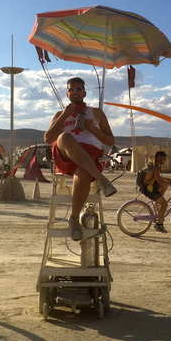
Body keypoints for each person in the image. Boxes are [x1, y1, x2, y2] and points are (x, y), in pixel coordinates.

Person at [44, 77, 117, 241]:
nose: (75, 92)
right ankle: (101, 179)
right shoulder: (60, 114)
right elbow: (48, 138)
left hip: (90, 155)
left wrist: (92, 129)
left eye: (78, 89)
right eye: (71, 89)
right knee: (64, 137)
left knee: (83, 171)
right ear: (67, 93)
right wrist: (64, 115)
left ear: (84, 92)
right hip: (66, 155)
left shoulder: (96, 113)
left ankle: (74, 219)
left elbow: (111, 141)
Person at [140, 151, 171, 233]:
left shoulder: (155, 166)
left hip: (148, 186)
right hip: (148, 189)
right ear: (159, 158)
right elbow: (159, 180)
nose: (164, 161)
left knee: (166, 184)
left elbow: (158, 178)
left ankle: (158, 202)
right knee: (165, 204)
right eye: (164, 159)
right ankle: (159, 225)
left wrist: (169, 181)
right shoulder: (156, 168)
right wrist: (170, 183)